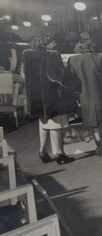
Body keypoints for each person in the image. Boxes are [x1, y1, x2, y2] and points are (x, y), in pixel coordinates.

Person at [22, 33, 75, 165]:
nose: (56, 44)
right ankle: (59, 153)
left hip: (35, 95)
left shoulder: (27, 54)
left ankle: (43, 151)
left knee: (43, 122)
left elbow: (23, 74)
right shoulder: (53, 54)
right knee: (56, 122)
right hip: (51, 93)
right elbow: (58, 75)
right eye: (53, 42)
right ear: (48, 43)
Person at [68, 39, 102, 159]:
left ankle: (99, 147)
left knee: (94, 122)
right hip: (101, 94)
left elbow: (72, 81)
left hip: (84, 95)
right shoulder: (101, 57)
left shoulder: (73, 60)